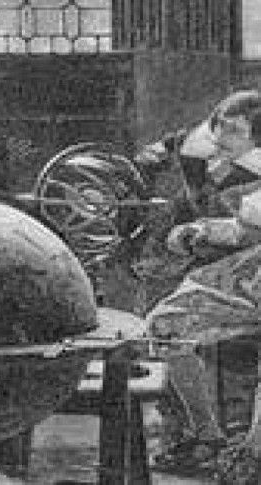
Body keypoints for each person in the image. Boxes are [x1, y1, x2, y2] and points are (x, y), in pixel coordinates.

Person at [146, 90, 261, 471]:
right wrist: (200, 230)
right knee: (165, 325)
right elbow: (245, 228)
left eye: (235, 130)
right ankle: (207, 434)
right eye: (221, 126)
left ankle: (252, 455)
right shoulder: (234, 168)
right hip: (249, 273)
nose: (222, 136)